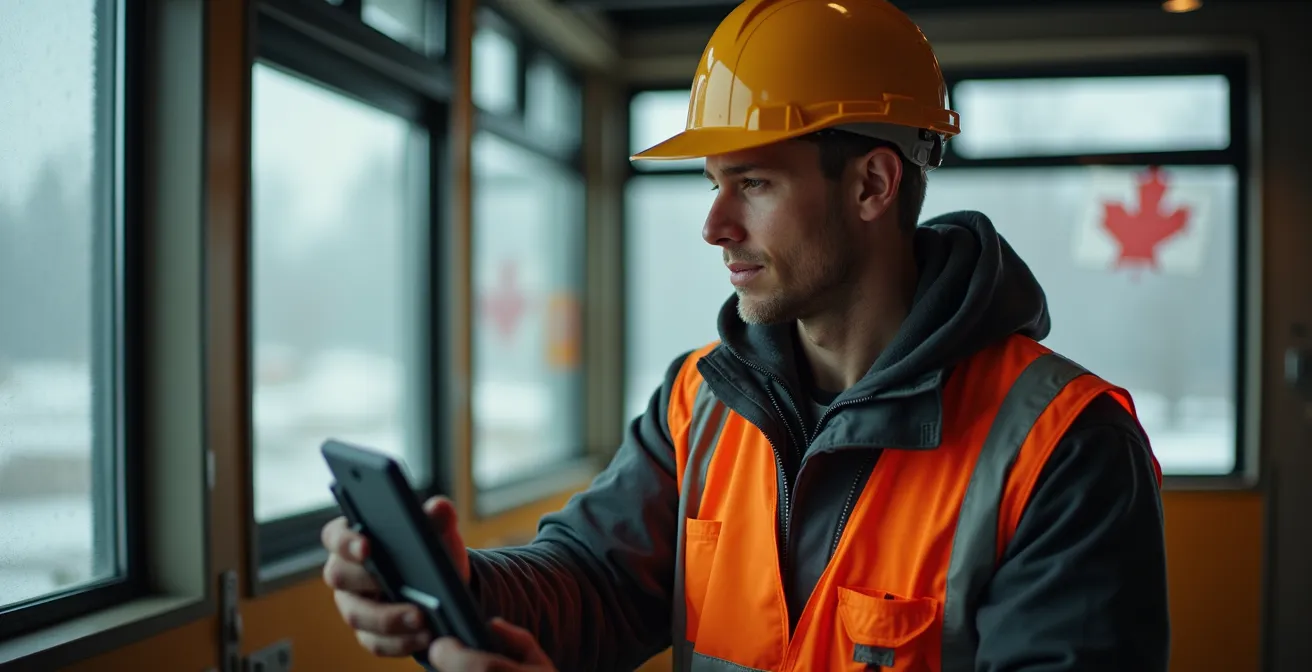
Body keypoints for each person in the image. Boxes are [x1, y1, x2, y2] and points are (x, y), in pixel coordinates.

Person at [321, 0, 1172, 669]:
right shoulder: (702, 400)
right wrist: (457, 588)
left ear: (873, 184)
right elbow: (594, 580)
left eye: (753, 182)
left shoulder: (1065, 449)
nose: (715, 225)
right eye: (713, 184)